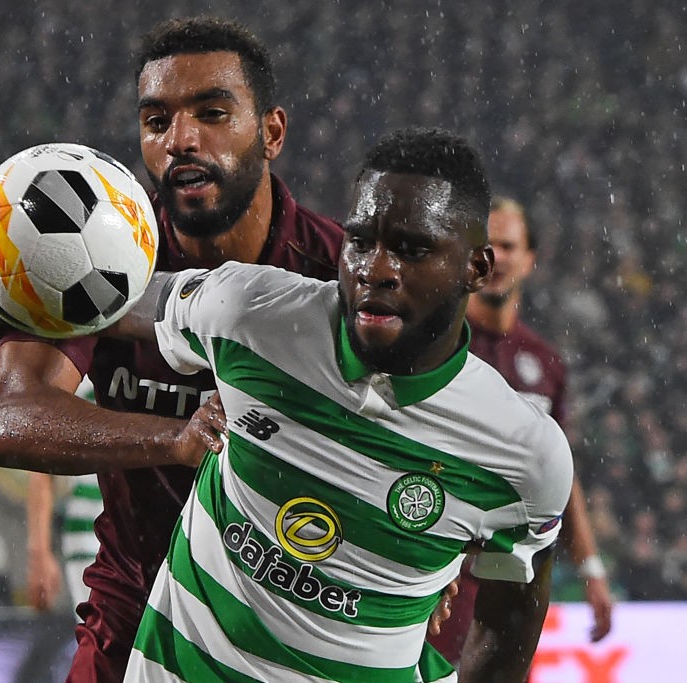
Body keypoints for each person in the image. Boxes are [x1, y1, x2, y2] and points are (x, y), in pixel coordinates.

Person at [0, 17, 343, 683]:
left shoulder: (338, 274)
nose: (181, 140)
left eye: (212, 114)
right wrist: (175, 438)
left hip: (296, 634)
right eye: (157, 121)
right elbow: (9, 418)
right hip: (137, 622)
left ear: (272, 132)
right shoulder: (97, 254)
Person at [106, 126, 573, 682]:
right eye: (361, 241)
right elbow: (102, 297)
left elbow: (511, 615)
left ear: (476, 268)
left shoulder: (524, 453)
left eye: (411, 249)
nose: (376, 270)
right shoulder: (251, 314)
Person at [428, 197, 615, 665]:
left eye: (509, 246)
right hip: (436, 572)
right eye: (486, 245)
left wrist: (591, 569)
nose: (498, 257)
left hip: (515, 582)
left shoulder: (546, 364)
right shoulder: (433, 345)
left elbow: (560, 475)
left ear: (531, 259)